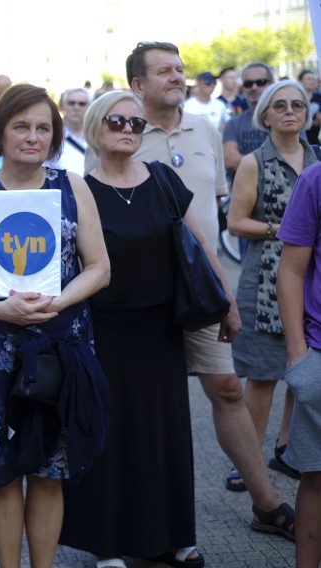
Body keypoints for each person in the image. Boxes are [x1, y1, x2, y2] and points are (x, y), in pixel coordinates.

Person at [118, 42, 294, 541]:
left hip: (203, 284)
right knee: (154, 403)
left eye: (179, 69)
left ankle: (266, 504)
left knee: (227, 387)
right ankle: (144, 519)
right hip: (143, 294)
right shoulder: (120, 132)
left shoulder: (206, 130)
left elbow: (210, 216)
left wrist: (220, 284)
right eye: (164, 71)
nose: (177, 77)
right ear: (137, 85)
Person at [60, 89, 225, 568]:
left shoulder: (163, 179)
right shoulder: (78, 191)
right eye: (117, 121)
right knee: (110, 435)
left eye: (135, 123)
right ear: (95, 127)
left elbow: (199, 243)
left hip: (161, 328)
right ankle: (109, 545)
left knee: (166, 433)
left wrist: (227, 303)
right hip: (102, 329)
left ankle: (176, 536)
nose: (128, 129)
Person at [0, 84, 111, 568]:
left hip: (59, 345)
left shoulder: (72, 186)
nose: (33, 137)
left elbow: (100, 267)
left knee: (48, 471)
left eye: (44, 128)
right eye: (21, 126)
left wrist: (56, 302)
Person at [228, 80, 314, 486]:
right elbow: (235, 222)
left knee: (302, 369)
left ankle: (287, 450)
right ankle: (250, 464)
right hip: (263, 280)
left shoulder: (316, 159)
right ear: (265, 115)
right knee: (262, 376)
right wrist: (281, 228)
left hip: (308, 281)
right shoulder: (254, 162)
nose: (289, 111)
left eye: (297, 104)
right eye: (279, 105)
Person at [277, 157, 321, 568]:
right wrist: (298, 356)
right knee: (318, 476)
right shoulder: (316, 178)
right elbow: (290, 271)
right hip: (320, 353)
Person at [47, 87, 91, 175]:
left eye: (82, 104)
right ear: (62, 106)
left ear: (90, 107)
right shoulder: (51, 137)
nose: (76, 107)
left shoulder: (97, 138)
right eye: (71, 103)